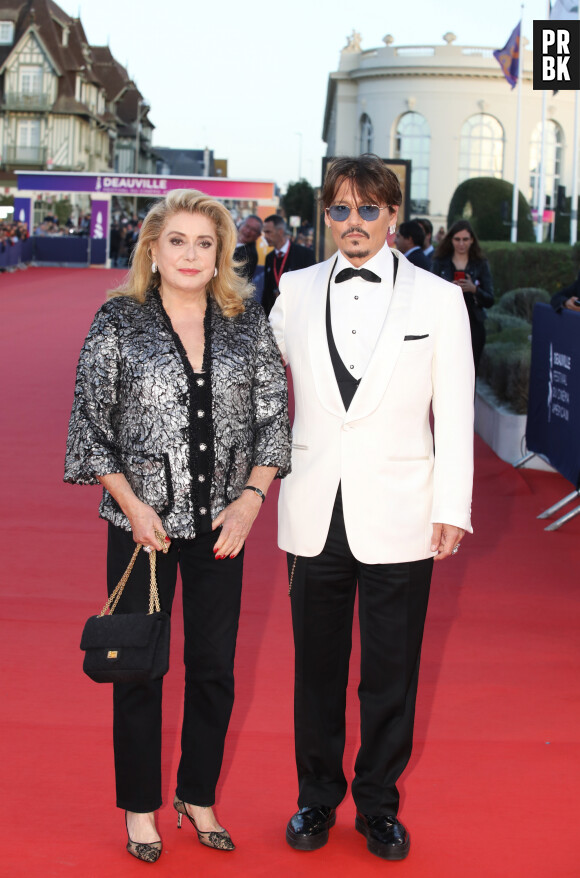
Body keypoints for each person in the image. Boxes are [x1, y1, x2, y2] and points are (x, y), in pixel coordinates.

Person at [65, 189, 291, 863]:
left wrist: (252, 499)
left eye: (204, 242)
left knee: (215, 670)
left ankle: (197, 794)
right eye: (177, 241)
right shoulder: (117, 322)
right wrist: (133, 507)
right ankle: (140, 808)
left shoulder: (247, 321)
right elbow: (89, 428)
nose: (191, 254)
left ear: (221, 252)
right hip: (145, 531)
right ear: (153, 251)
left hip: (224, 525)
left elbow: (274, 420)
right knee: (138, 670)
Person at [269, 154, 474, 862]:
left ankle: (379, 807)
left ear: (391, 215)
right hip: (312, 510)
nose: (352, 223)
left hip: (405, 511)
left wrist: (453, 504)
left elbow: (454, 409)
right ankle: (316, 800)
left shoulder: (439, 299)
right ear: (325, 218)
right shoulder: (291, 291)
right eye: (339, 210)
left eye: (366, 209)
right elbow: (259, 397)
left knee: (392, 672)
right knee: (315, 672)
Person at [431, 220, 494, 373]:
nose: (461, 244)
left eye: (465, 239)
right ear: (451, 240)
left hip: (474, 323)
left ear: (472, 240)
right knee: (445, 371)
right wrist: (448, 288)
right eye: (457, 239)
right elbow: (430, 293)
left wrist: (474, 289)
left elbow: (490, 299)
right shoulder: (440, 262)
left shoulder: (480, 264)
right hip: (446, 323)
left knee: (470, 372)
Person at [261, 214, 315, 315]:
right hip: (275, 317)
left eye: (268, 232)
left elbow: (312, 287)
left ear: (280, 232)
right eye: (264, 232)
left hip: (298, 315)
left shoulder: (304, 254)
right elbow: (266, 292)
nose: (265, 236)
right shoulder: (269, 258)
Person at [232, 214, 262, 281]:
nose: (248, 231)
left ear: (258, 235)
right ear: (241, 225)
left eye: (253, 230)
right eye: (247, 226)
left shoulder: (249, 255)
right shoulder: (227, 240)